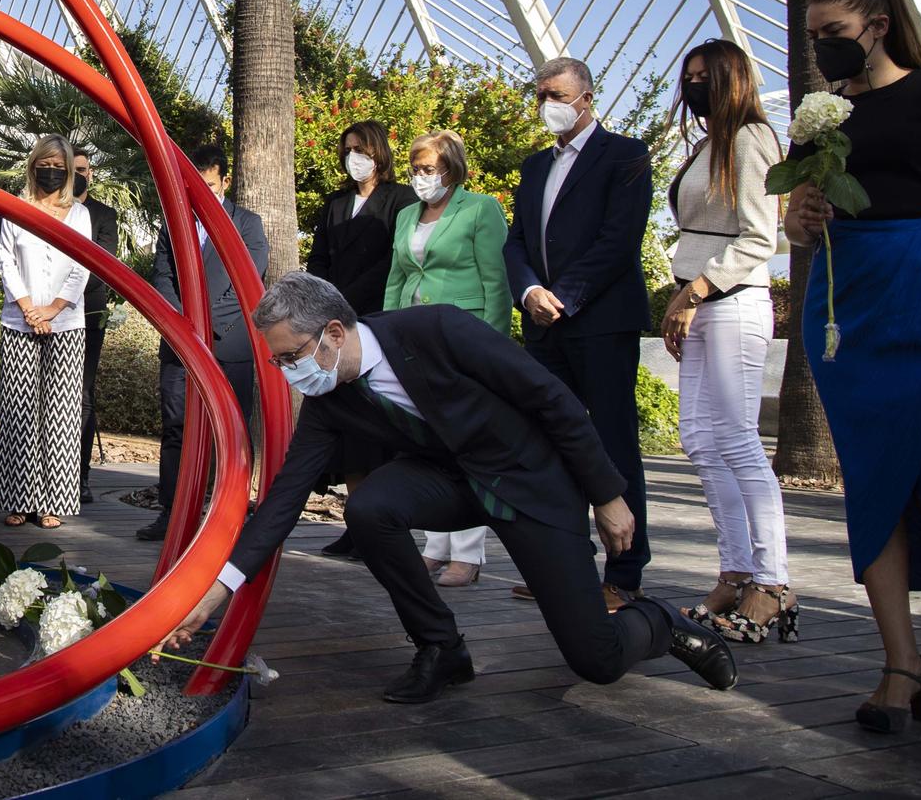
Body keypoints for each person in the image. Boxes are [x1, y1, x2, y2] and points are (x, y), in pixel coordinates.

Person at [158, 272, 737, 704]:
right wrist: (221, 586)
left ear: (333, 332)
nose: (288, 373)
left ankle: (662, 621)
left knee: (598, 659)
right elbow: (283, 500)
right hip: (451, 480)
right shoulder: (329, 400)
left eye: (290, 357)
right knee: (371, 507)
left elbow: (551, 399)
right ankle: (442, 648)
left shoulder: (435, 328)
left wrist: (609, 495)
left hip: (529, 481)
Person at [785, 0, 921, 732]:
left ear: (876, 26)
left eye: (833, 35)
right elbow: (799, 219)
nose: (821, 51)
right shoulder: (822, 118)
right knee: (874, 482)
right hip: (851, 308)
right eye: (814, 39)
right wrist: (799, 217)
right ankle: (900, 665)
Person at [504, 57, 654, 609]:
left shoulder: (625, 155)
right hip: (543, 327)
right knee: (547, 444)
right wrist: (529, 294)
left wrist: (562, 296)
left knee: (613, 444)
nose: (548, 103)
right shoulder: (533, 166)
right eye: (541, 94)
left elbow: (619, 241)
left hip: (600, 322)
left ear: (587, 97)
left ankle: (625, 574)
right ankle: (564, 565)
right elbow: (515, 242)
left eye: (558, 93)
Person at [661, 40, 794, 645]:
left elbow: (758, 237)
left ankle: (772, 581)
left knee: (737, 438)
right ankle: (735, 570)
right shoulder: (710, 143)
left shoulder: (750, 140)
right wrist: (683, 295)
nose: (692, 87)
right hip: (700, 301)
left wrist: (694, 292)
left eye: (703, 77)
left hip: (733, 302)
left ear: (731, 80)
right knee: (699, 437)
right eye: (687, 77)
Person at [384, 129, 511, 586]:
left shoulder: (480, 209)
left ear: (451, 168)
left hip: (465, 340)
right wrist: (386, 336)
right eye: (415, 169)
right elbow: (397, 279)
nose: (421, 177)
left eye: (428, 169)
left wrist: (494, 349)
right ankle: (434, 546)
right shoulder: (405, 216)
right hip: (415, 340)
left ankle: (469, 554)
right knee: (427, 442)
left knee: (467, 443)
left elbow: (497, 281)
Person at [137, 146, 269, 544]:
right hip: (180, 345)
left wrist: (205, 327)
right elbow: (162, 276)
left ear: (225, 181)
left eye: (209, 185)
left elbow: (248, 278)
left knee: (231, 431)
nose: (202, 192)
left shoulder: (247, 223)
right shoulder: (173, 222)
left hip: (227, 346)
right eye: (195, 184)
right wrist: (181, 325)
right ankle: (172, 512)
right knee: (176, 427)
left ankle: (226, 514)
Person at [307, 120, 420, 561]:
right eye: (348, 148)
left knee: (379, 425)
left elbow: (396, 258)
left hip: (375, 319)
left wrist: (346, 300)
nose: (354, 156)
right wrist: (323, 302)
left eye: (362, 148)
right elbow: (319, 257)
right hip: (333, 322)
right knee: (349, 427)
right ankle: (356, 527)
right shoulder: (335, 203)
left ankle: (384, 526)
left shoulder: (401, 200)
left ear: (379, 152)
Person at [0, 135, 94, 530]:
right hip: (19, 321)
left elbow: (83, 265)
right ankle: (19, 499)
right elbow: (6, 260)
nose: (51, 168)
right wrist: (28, 308)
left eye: (59, 163)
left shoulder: (79, 214)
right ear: (34, 164)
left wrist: (53, 309)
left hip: (67, 323)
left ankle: (53, 500)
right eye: (45, 162)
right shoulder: (15, 208)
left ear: (68, 169)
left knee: (60, 414)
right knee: (20, 413)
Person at [73, 148, 120, 506]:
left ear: (91, 174)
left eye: (83, 170)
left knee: (82, 395)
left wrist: (65, 291)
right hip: (45, 314)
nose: (78, 176)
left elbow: (102, 263)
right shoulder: (46, 207)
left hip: (86, 312)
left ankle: (80, 474)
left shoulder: (104, 215)